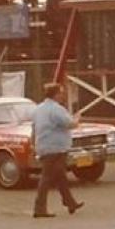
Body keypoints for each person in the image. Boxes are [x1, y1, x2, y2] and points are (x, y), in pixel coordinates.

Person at [31, 83, 85, 219]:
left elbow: (34, 128)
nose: (63, 95)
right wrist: (77, 119)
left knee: (60, 176)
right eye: (61, 93)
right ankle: (39, 208)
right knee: (46, 177)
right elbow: (69, 124)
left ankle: (69, 202)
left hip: (44, 146)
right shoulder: (56, 109)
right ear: (55, 94)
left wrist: (33, 144)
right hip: (56, 147)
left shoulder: (38, 109)